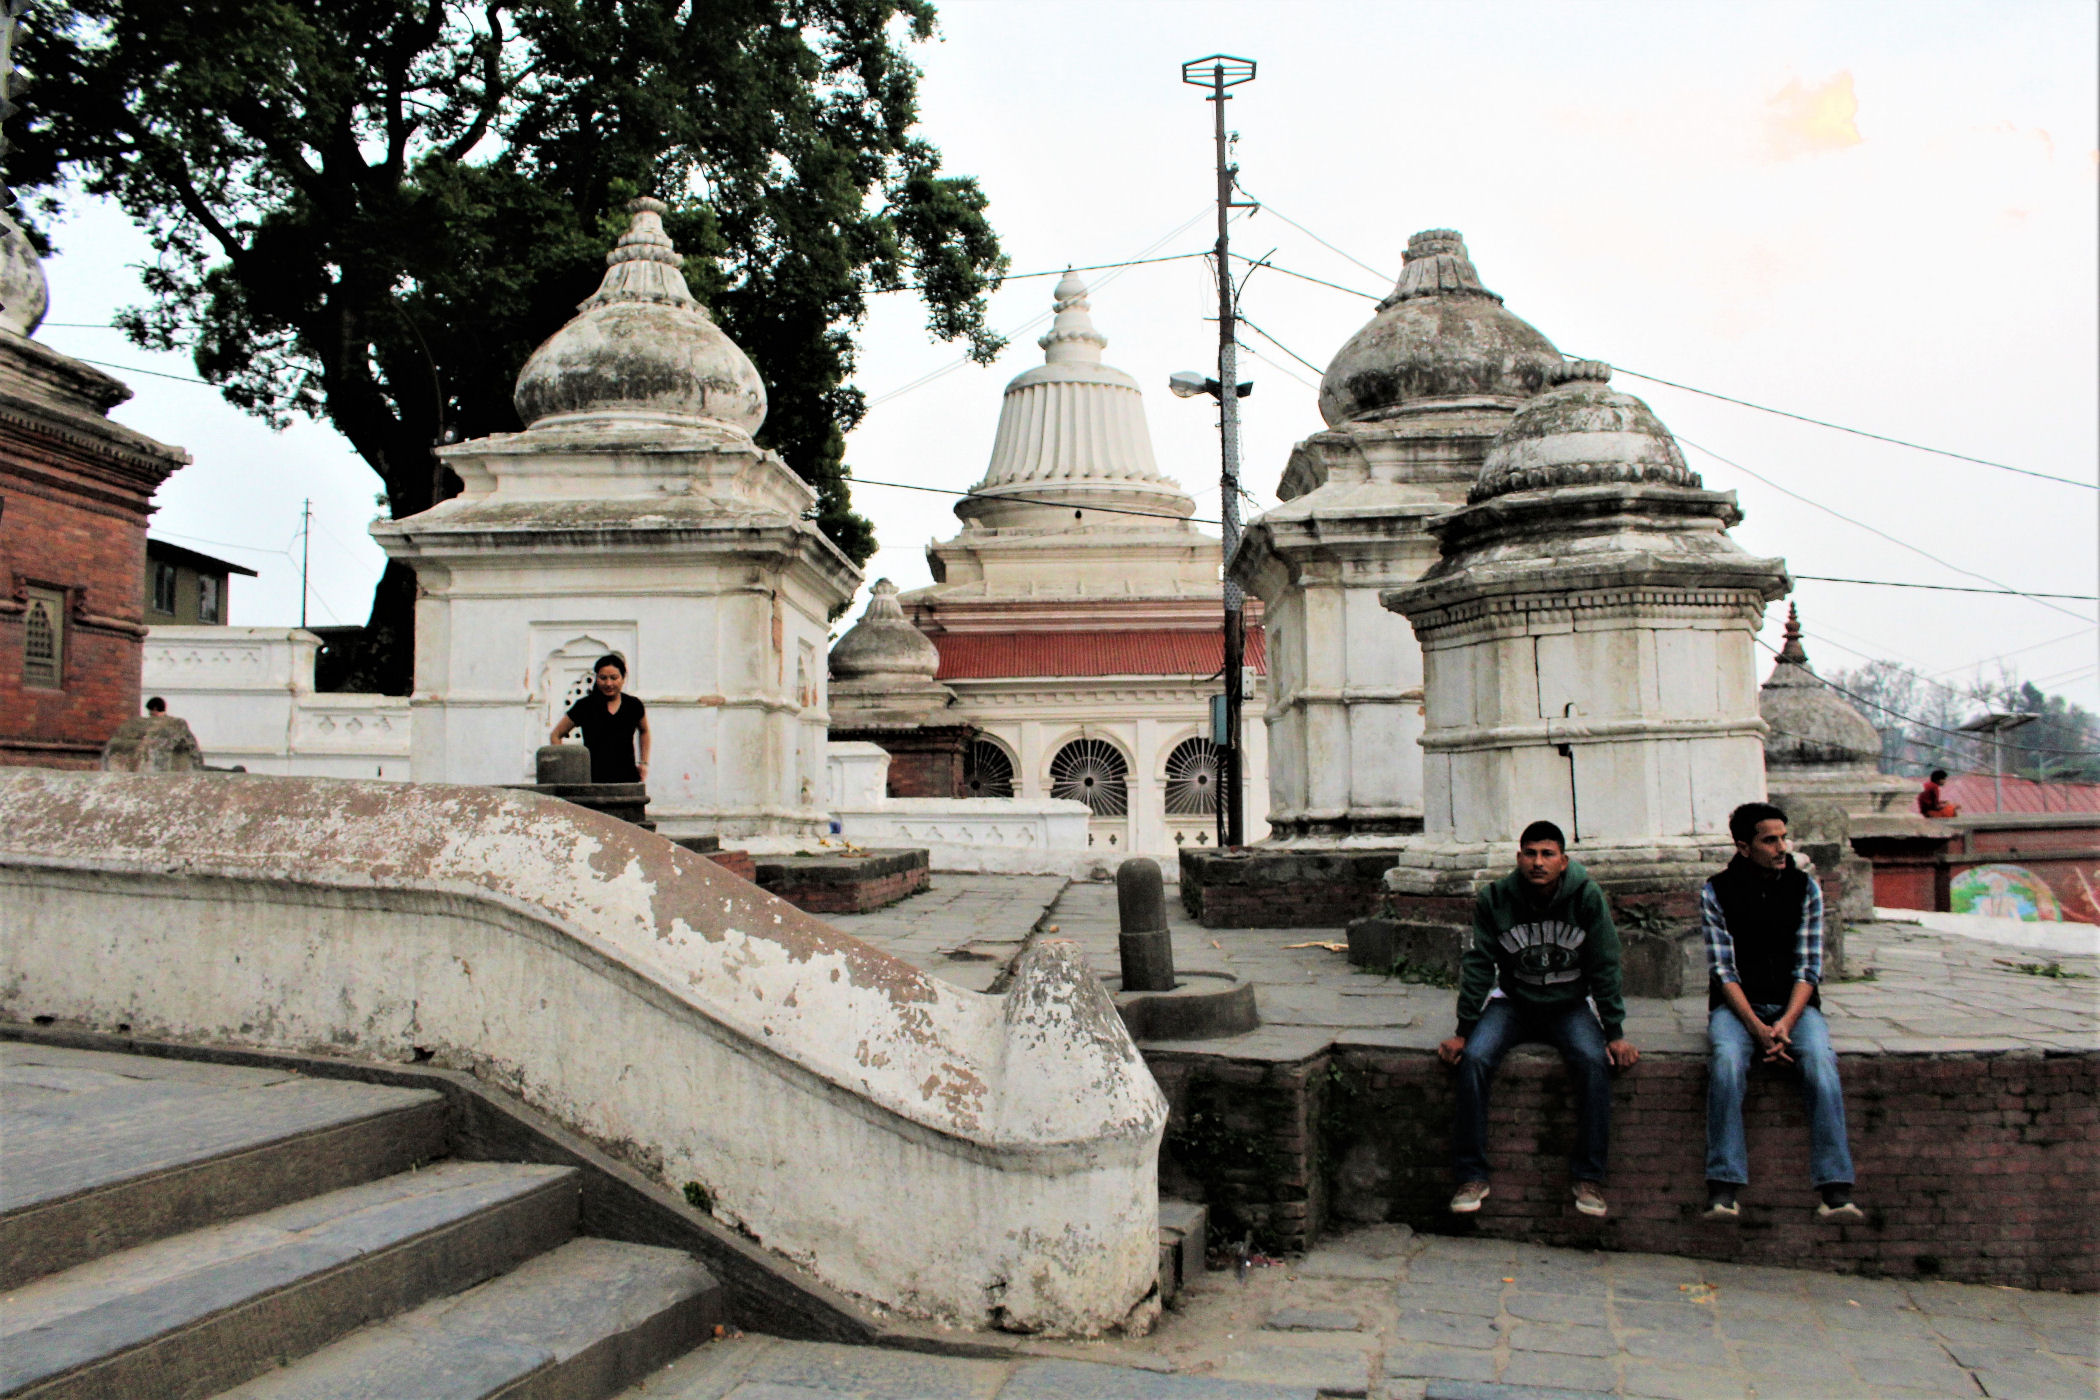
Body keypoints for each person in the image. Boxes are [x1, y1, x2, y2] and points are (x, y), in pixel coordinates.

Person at [1438, 820, 1637, 1219]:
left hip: (1569, 1005)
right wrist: (1464, 1030)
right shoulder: (1496, 898)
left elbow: (1605, 963)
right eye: (1530, 853)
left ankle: (1588, 1178)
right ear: (1519, 857)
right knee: (1474, 1059)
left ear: (1564, 860)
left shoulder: (1587, 896)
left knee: (1594, 1061)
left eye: (1548, 854)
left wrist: (1614, 1032)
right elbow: (1479, 964)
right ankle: (1472, 1176)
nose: (1538, 862)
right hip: (1513, 1002)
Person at [1700, 801, 1861, 1221]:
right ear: (1743, 847)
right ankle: (1723, 1187)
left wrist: (1785, 1023)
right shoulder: (1716, 891)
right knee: (1726, 1062)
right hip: (1738, 1007)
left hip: (1795, 1006)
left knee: (1821, 1061)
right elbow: (1723, 971)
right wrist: (1757, 1028)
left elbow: (1809, 968)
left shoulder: (1805, 889)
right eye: (1770, 840)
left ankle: (1835, 1189)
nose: (1782, 848)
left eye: (1784, 838)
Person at [549, 654, 651, 785]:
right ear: (596, 678)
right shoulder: (585, 706)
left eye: (614, 678)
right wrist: (565, 765)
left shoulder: (633, 705)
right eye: (603, 678)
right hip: (592, 780)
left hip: (627, 778)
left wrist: (644, 762)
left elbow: (644, 731)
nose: (608, 683)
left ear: (623, 678)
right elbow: (556, 735)